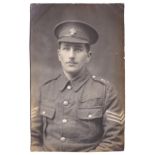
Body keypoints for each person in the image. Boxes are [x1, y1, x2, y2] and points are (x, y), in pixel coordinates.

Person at [31, 20, 124, 152]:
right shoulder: (45, 89)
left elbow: (114, 141)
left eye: (78, 49)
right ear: (59, 55)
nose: (71, 55)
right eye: (66, 48)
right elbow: (32, 137)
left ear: (88, 56)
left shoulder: (105, 91)